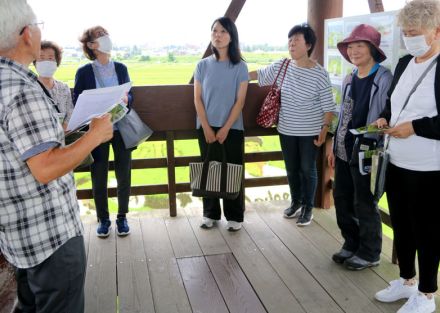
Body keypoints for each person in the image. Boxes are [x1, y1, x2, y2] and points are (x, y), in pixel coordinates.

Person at [0, 1, 113, 312]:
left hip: (18, 235)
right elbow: (46, 167)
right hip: (50, 238)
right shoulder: (23, 89)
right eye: (38, 26)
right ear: (26, 34)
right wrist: (94, 135)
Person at [373, 1, 440, 312]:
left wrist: (415, 127)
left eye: (414, 33)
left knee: (427, 229)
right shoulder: (403, 63)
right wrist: (385, 118)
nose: (409, 38)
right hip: (397, 160)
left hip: (430, 167)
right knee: (401, 223)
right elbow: (394, 103)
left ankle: (427, 295)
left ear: (436, 31)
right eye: (405, 32)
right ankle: (406, 280)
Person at [249, 23, 335, 226]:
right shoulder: (283, 66)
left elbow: (328, 106)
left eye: (296, 40)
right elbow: (258, 75)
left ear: (308, 45)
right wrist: (231, 75)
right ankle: (296, 201)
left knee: (307, 169)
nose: (291, 44)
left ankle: (307, 207)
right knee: (291, 168)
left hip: (310, 131)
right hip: (286, 129)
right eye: (289, 40)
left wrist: (324, 129)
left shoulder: (319, 73)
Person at [327, 24, 393, 271]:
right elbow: (343, 115)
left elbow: (389, 112)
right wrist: (334, 144)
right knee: (341, 197)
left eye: (360, 45)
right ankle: (351, 243)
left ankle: (370, 252)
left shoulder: (384, 78)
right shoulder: (349, 77)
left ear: (373, 49)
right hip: (344, 147)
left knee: (364, 201)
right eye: (350, 46)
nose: (353, 51)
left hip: (367, 149)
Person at [73, 25, 133, 238]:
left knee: (124, 173)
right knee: (98, 175)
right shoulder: (84, 72)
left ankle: (122, 217)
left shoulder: (121, 68)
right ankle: (104, 219)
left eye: (106, 34)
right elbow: (78, 101)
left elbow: (130, 95)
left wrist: (127, 99)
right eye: (99, 36)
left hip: (121, 129)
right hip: (97, 131)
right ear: (91, 45)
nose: (106, 38)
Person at [194, 17, 248, 231]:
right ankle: (210, 214)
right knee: (209, 169)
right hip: (205, 127)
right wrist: (206, 127)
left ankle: (235, 217)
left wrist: (225, 128)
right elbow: (197, 99)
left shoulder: (240, 66)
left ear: (231, 36)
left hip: (232, 128)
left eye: (223, 31)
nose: (218, 35)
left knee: (233, 170)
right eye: (214, 31)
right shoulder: (202, 65)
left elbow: (240, 101)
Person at [34, 40, 73, 129]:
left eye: (50, 58)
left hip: (63, 136)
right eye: (41, 58)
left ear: (57, 62)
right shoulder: (29, 88)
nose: (46, 62)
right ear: (35, 62)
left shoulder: (64, 88)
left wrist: (63, 130)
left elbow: (70, 112)